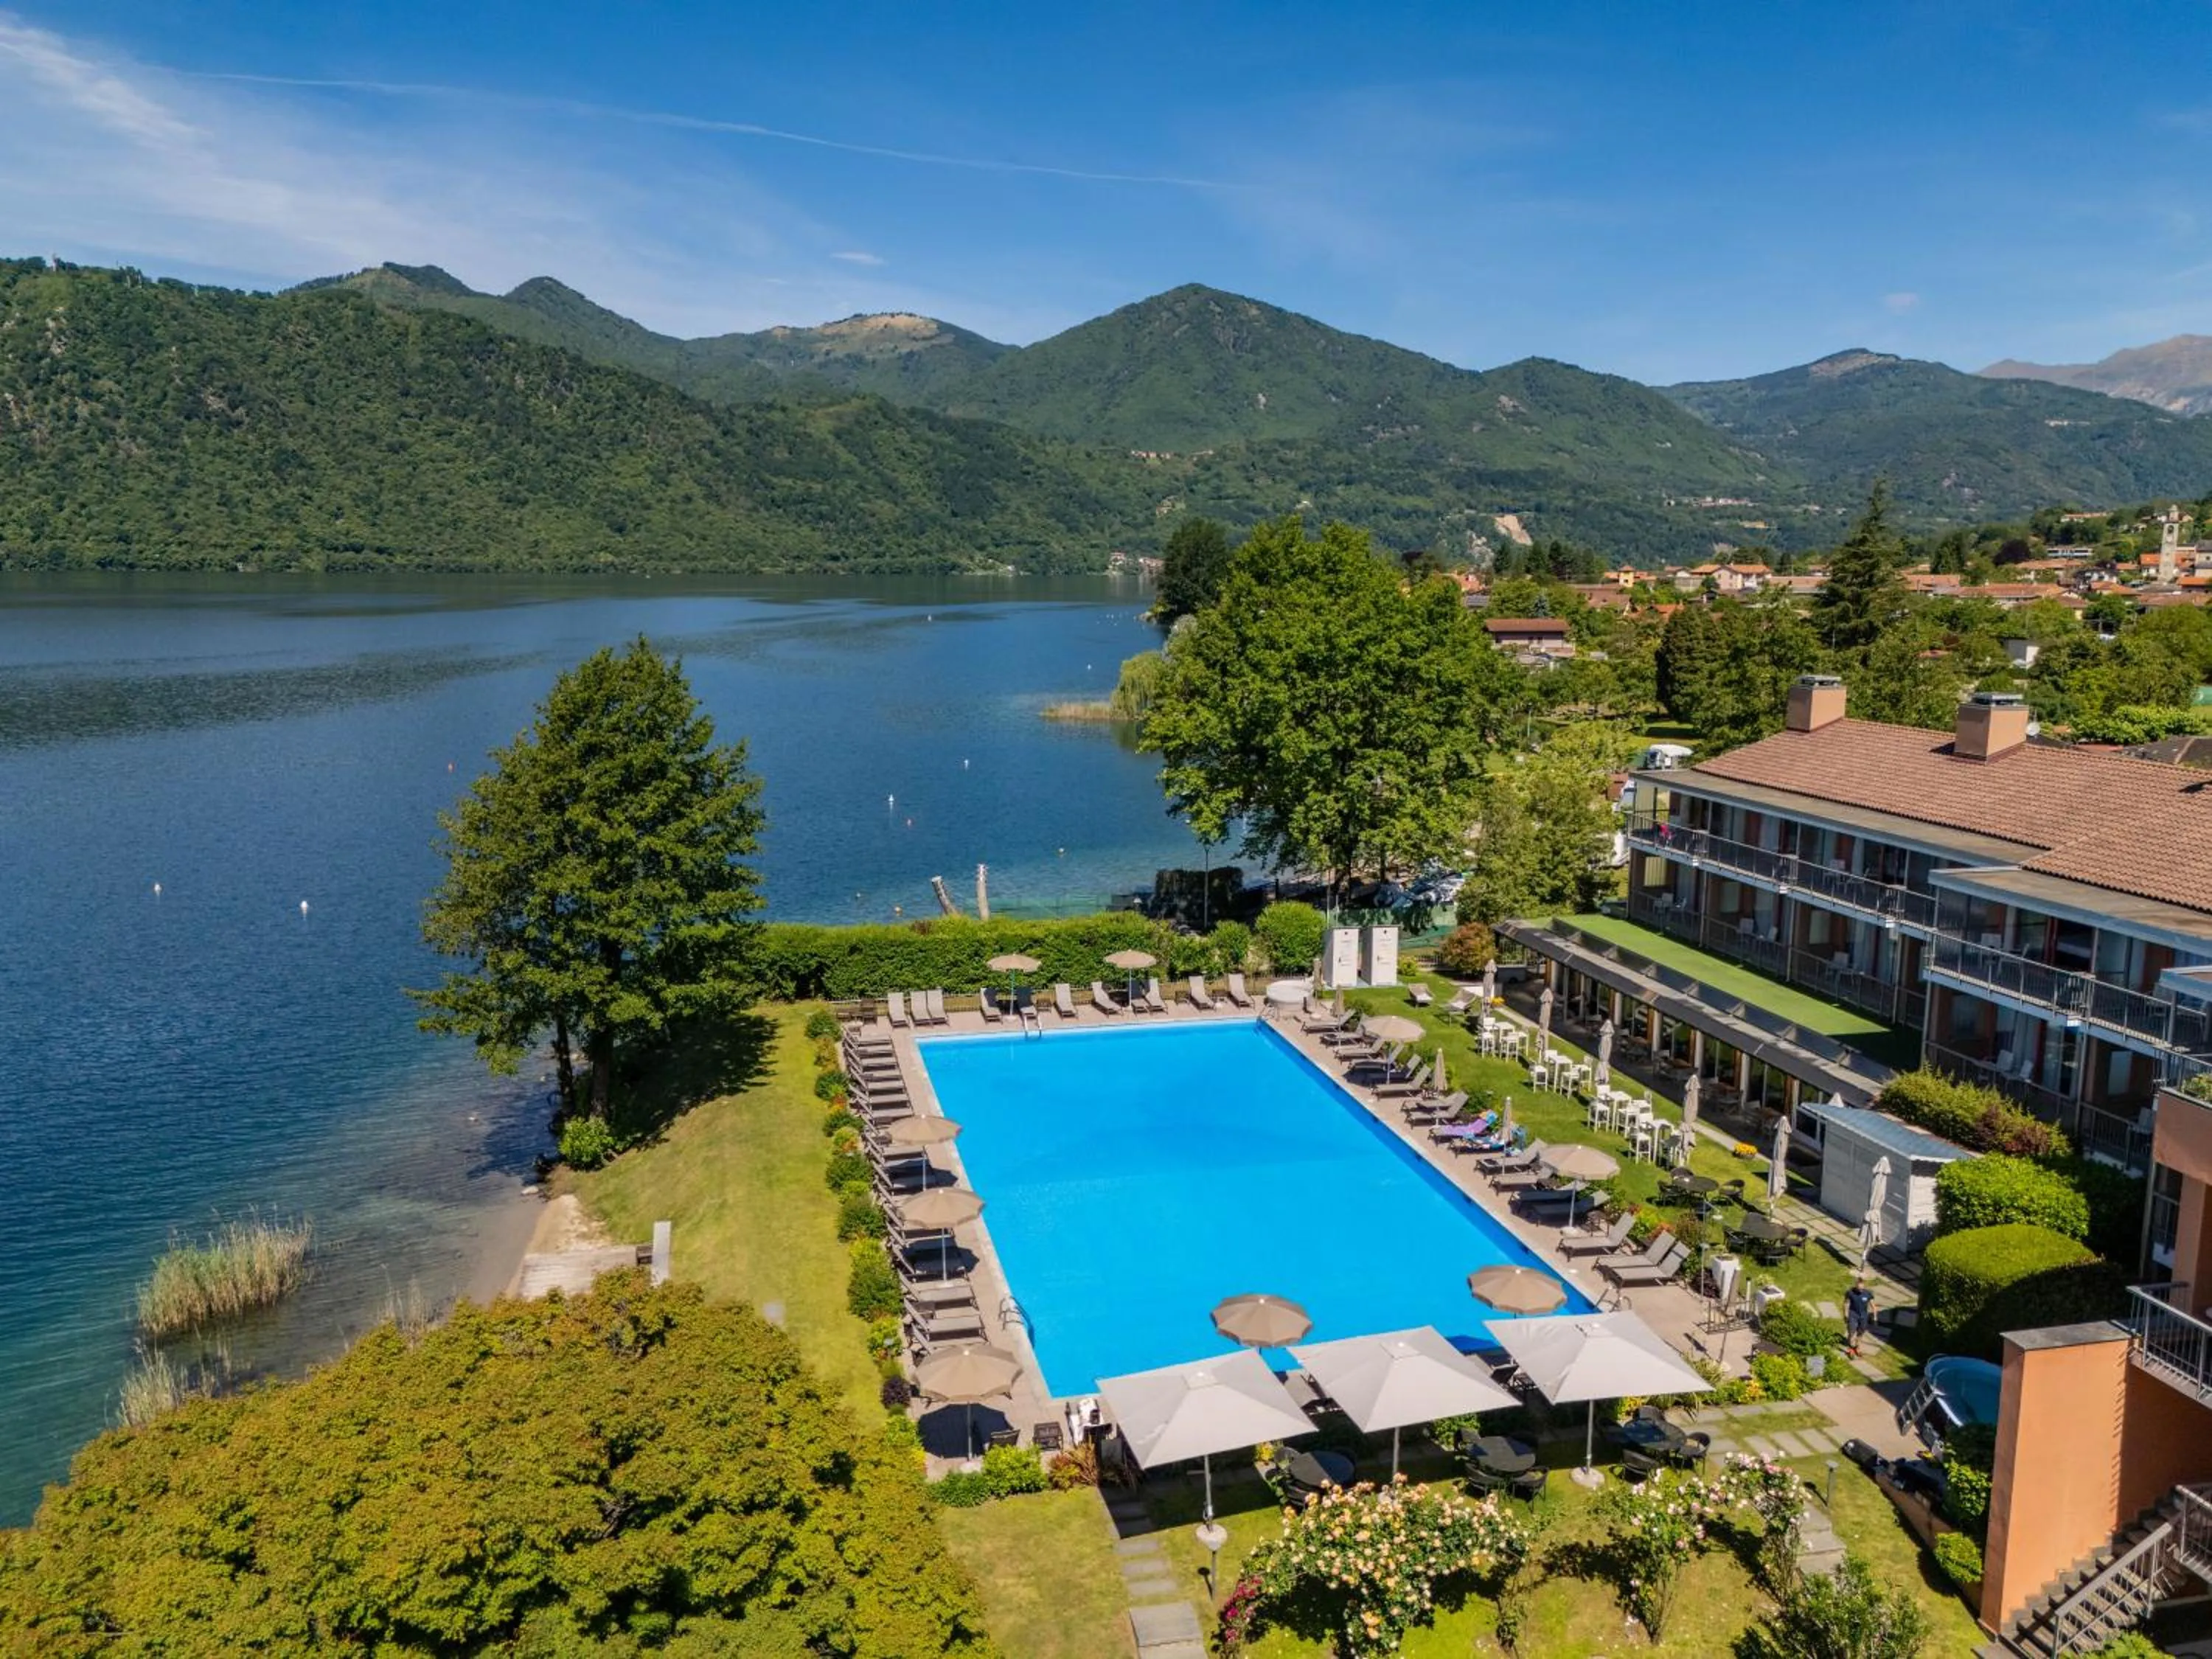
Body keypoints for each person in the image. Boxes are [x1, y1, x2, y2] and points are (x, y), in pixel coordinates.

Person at [1845, 1278, 1875, 1356]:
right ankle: (1850, 1348)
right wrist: (1846, 1314)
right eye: (1859, 1289)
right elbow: (1846, 1304)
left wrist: (1875, 1316)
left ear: (1864, 1286)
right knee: (1851, 1333)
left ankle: (1857, 1347)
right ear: (1856, 1286)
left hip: (1863, 1316)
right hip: (1853, 1315)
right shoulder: (1850, 1293)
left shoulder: (1868, 1293)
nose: (1861, 1290)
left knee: (1860, 1333)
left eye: (1862, 1288)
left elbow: (1873, 1306)